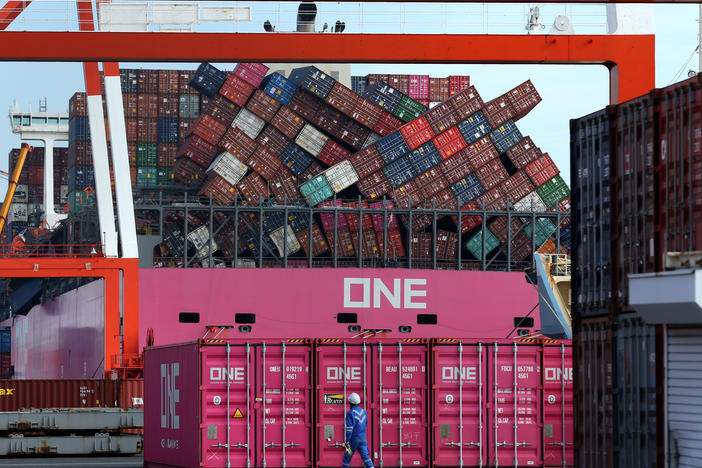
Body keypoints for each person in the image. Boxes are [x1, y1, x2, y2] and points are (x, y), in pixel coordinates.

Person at [342, 392, 374, 468]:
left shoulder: (350, 413)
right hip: (363, 440)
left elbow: (349, 430)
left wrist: (347, 443)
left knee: (347, 458)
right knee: (366, 458)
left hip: (353, 440)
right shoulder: (364, 412)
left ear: (350, 402)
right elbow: (365, 425)